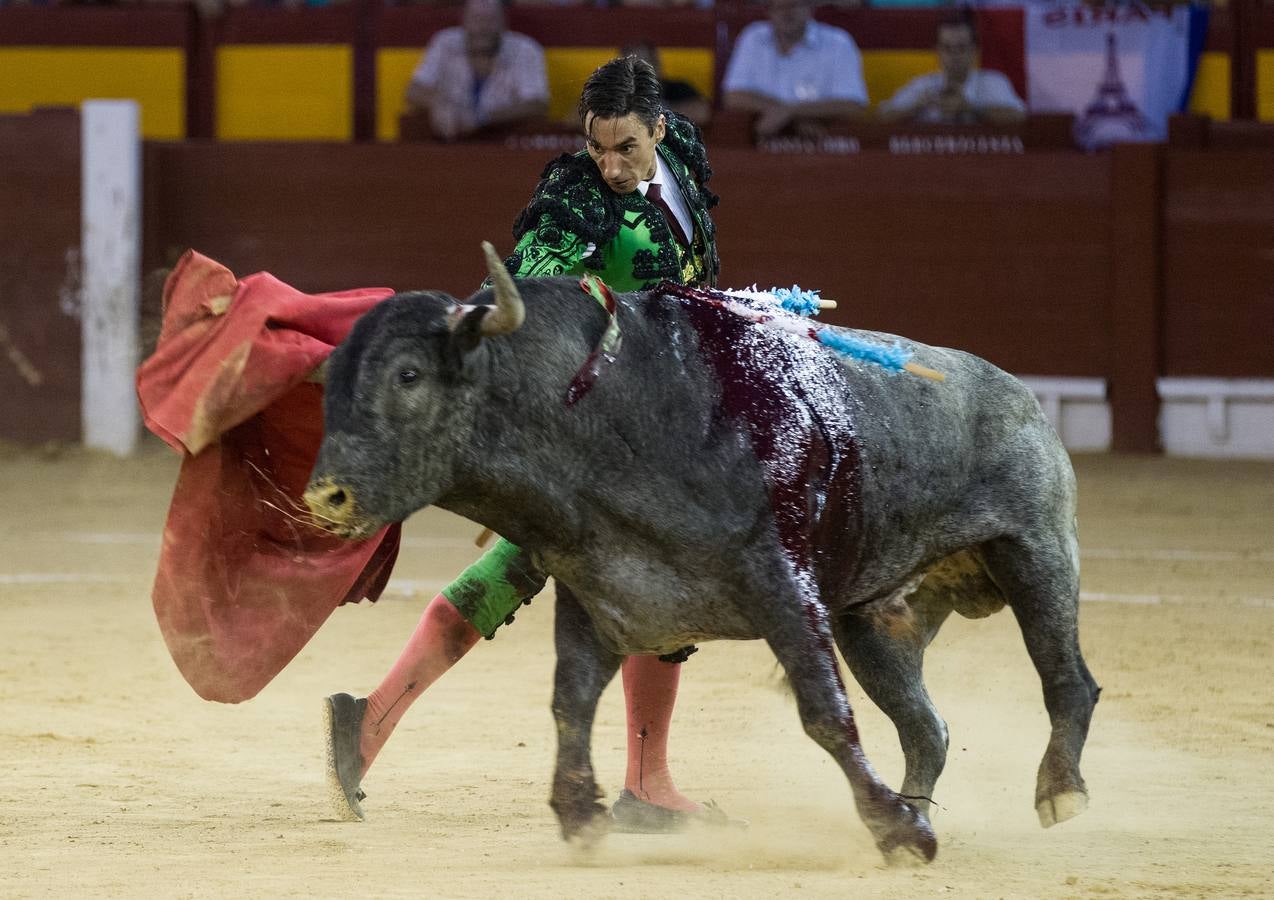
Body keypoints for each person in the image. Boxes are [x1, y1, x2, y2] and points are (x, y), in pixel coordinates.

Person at [326, 55, 726, 834]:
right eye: (597, 147)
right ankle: (644, 784)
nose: (608, 166)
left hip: (661, 414)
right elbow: (526, 286)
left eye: (625, 150)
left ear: (662, 131)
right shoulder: (571, 197)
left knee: (570, 568)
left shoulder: (683, 162)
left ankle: (370, 723)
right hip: (594, 423)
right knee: (606, 566)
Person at [720, 0, 869, 139]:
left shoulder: (838, 42)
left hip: (824, 142)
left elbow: (853, 105)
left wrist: (789, 112)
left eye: (794, 5)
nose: (787, 13)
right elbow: (733, 97)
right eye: (780, 7)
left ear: (810, 8)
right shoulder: (753, 37)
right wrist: (792, 115)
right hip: (762, 138)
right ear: (769, 11)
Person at [404, 0, 550, 142]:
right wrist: (439, 103)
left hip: (503, 144)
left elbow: (538, 104)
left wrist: (482, 117)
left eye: (490, 20)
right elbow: (413, 91)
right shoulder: (444, 42)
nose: (482, 28)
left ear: (503, 23)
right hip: (451, 140)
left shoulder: (526, 50)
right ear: (464, 21)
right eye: (477, 19)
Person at [877, 12, 1026, 125]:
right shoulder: (924, 86)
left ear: (974, 51)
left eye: (961, 48)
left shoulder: (993, 82)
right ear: (938, 52)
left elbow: (1021, 118)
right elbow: (881, 117)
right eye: (947, 48)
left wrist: (972, 109)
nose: (954, 55)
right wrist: (915, 107)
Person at [621, 40, 713, 127]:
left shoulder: (677, 88)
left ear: (657, 64)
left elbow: (703, 113)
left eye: (646, 62)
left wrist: (660, 112)